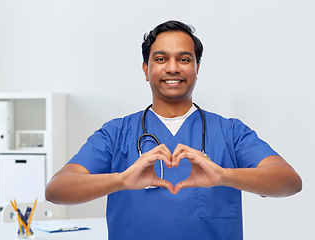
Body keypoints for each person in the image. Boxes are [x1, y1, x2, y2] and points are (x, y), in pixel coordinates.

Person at [45, 20, 302, 240]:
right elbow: (57, 189)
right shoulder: (116, 133)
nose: (172, 67)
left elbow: (289, 182)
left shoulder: (229, 132)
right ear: (146, 69)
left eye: (184, 58)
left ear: (197, 68)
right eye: (160, 59)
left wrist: (224, 176)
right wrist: (121, 179)